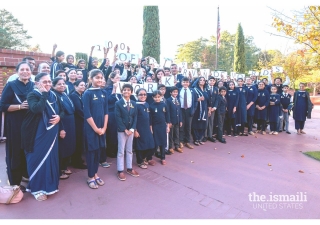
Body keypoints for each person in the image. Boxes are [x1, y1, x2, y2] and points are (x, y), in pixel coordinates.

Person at [21, 72, 63, 201]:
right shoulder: (32, 94)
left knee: (50, 158)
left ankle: (49, 185)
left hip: (51, 132)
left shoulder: (53, 95)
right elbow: (37, 109)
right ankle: (36, 189)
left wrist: (59, 117)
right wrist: (44, 93)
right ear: (37, 83)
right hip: (35, 132)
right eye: (45, 82)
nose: (48, 84)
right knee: (36, 158)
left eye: (49, 82)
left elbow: (61, 109)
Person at [0, 62, 34, 192]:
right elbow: (2, 106)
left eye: (27, 69)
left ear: (31, 71)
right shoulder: (11, 85)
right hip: (15, 125)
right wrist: (20, 106)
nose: (25, 71)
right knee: (16, 152)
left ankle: (27, 175)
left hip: (30, 126)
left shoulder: (33, 85)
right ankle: (15, 181)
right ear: (17, 71)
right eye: (22, 69)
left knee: (28, 151)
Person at [83, 69, 108, 189]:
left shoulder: (103, 93)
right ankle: (90, 176)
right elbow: (87, 114)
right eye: (97, 77)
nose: (99, 80)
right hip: (91, 129)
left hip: (102, 129)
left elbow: (106, 112)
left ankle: (95, 173)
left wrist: (104, 128)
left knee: (99, 151)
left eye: (101, 78)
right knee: (91, 152)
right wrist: (96, 129)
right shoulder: (87, 93)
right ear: (90, 79)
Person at [52, 78, 76, 179]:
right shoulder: (54, 96)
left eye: (63, 84)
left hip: (70, 123)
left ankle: (64, 166)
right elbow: (58, 113)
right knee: (62, 148)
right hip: (63, 124)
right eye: (59, 84)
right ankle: (59, 170)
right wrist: (61, 128)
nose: (62, 85)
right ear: (53, 86)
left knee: (69, 145)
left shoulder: (65, 94)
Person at [115, 84, 138, 181]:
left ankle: (129, 168)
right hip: (122, 131)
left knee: (129, 150)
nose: (126, 92)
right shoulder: (118, 103)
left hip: (131, 131)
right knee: (121, 151)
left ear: (131, 92)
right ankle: (120, 170)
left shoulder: (134, 103)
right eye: (124, 90)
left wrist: (132, 129)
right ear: (122, 91)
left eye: (128, 90)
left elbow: (135, 117)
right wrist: (125, 129)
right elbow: (118, 117)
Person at [134, 88, 156, 168]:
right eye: (140, 94)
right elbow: (134, 119)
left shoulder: (146, 104)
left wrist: (150, 127)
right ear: (137, 96)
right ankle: (139, 161)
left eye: (144, 94)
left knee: (151, 144)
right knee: (140, 145)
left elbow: (149, 117)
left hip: (147, 128)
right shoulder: (136, 105)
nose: (143, 96)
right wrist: (135, 130)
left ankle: (145, 158)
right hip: (139, 128)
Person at [102, 72, 122, 161]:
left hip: (119, 113)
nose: (119, 79)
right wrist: (114, 89)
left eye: (119, 78)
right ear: (112, 79)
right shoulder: (108, 88)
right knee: (112, 132)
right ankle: (110, 150)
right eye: (117, 78)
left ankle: (117, 149)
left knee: (119, 131)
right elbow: (109, 100)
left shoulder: (121, 88)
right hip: (111, 112)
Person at [69, 80, 87, 169]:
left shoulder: (81, 95)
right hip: (77, 122)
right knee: (78, 141)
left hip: (81, 122)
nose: (83, 87)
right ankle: (76, 162)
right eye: (81, 85)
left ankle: (78, 159)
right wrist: (88, 118)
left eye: (84, 85)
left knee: (80, 141)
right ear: (75, 86)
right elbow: (79, 110)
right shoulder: (74, 96)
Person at [149, 90, 170, 165]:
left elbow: (167, 116)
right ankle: (150, 157)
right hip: (155, 126)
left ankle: (163, 157)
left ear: (161, 97)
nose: (157, 98)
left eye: (159, 97)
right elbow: (150, 118)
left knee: (163, 142)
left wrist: (168, 126)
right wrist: (151, 128)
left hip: (162, 126)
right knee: (154, 142)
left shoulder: (164, 105)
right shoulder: (151, 106)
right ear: (152, 97)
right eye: (155, 97)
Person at [179, 77, 197, 149]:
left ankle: (187, 141)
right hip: (181, 110)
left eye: (187, 82)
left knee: (188, 126)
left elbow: (195, 101)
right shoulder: (179, 90)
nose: (185, 83)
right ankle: (181, 141)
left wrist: (194, 109)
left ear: (189, 83)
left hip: (189, 110)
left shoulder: (192, 91)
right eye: (184, 82)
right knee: (181, 126)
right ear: (181, 83)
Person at [191, 77, 210, 145]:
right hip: (197, 109)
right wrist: (198, 99)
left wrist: (209, 109)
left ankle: (199, 138)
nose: (202, 81)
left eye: (203, 80)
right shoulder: (194, 90)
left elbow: (208, 100)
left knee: (203, 125)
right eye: (200, 80)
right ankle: (196, 139)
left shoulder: (206, 90)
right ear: (198, 81)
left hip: (204, 109)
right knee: (196, 124)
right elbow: (192, 99)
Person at [167, 86, 183, 153]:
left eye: (176, 92)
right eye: (174, 92)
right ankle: (170, 147)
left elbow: (179, 111)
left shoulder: (178, 100)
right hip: (171, 121)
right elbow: (168, 112)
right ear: (171, 93)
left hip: (177, 120)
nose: (175, 93)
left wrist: (181, 120)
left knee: (177, 133)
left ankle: (177, 146)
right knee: (171, 134)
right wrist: (169, 121)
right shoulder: (168, 100)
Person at [206, 76, 218, 142]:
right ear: (208, 81)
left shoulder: (216, 89)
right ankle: (205, 136)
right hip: (206, 108)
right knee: (206, 122)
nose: (212, 82)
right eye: (210, 80)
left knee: (211, 122)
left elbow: (217, 99)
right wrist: (208, 107)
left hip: (213, 109)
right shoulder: (205, 88)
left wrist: (214, 107)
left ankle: (210, 135)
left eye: (213, 81)